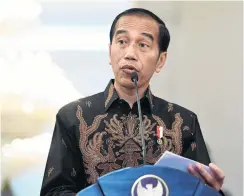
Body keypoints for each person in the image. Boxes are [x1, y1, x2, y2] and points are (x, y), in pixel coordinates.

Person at [40, 8, 225, 196]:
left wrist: (211, 191)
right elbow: (55, 191)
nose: (130, 53)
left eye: (143, 45)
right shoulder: (74, 116)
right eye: (122, 42)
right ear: (109, 51)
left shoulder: (183, 121)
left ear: (161, 60)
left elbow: (197, 189)